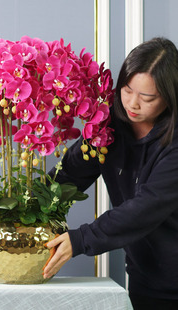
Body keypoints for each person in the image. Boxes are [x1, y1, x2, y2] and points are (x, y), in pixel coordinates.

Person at [43, 37, 178, 310]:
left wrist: (81, 239)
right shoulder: (109, 125)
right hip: (144, 282)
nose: (133, 104)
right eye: (127, 90)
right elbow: (69, 174)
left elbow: (146, 206)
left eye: (147, 97)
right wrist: (30, 204)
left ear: (170, 95)